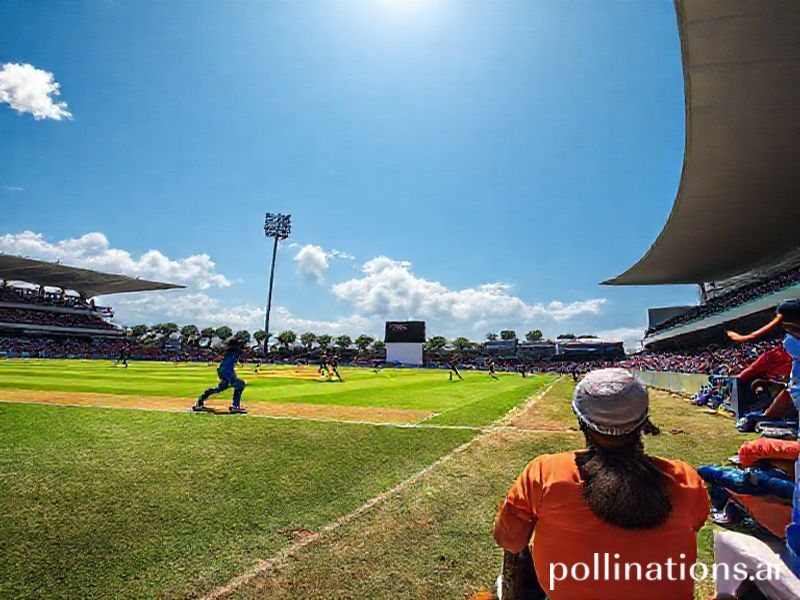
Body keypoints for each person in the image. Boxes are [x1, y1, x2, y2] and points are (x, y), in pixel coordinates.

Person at [494, 369, 709, 600]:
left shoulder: (545, 472)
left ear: (581, 421)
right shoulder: (685, 477)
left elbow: (510, 540)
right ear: (643, 420)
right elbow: (693, 524)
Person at [193, 337, 248, 414]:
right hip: (227, 371)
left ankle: (200, 401)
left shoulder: (229, 350)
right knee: (240, 384)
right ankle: (235, 406)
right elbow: (241, 348)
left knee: (220, 388)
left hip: (225, 370)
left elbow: (228, 349)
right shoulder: (236, 350)